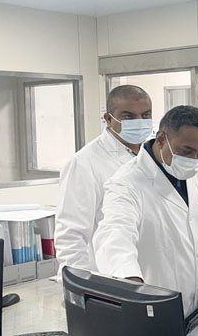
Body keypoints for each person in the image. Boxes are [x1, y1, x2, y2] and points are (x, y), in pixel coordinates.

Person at [93, 105, 198, 336]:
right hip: (155, 308)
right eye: (186, 151)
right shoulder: (127, 183)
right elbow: (115, 237)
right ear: (161, 139)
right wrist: (132, 288)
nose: (193, 160)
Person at [55, 85, 152, 277]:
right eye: (129, 116)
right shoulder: (84, 163)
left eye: (146, 115)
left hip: (151, 272)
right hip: (108, 275)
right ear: (108, 119)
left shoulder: (153, 155)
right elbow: (71, 234)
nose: (139, 122)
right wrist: (81, 283)